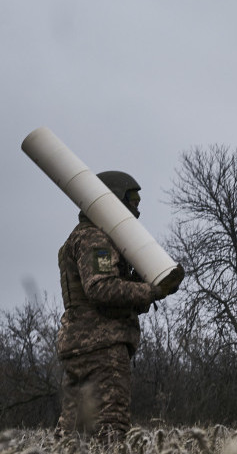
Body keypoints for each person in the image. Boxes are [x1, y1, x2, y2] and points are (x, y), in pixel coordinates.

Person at [57, 170, 183, 440]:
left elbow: (111, 293)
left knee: (73, 434)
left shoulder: (85, 236)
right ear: (113, 201)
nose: (136, 209)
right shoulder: (95, 239)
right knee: (110, 429)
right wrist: (152, 290)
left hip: (81, 347)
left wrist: (149, 284)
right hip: (102, 348)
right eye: (132, 201)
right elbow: (101, 289)